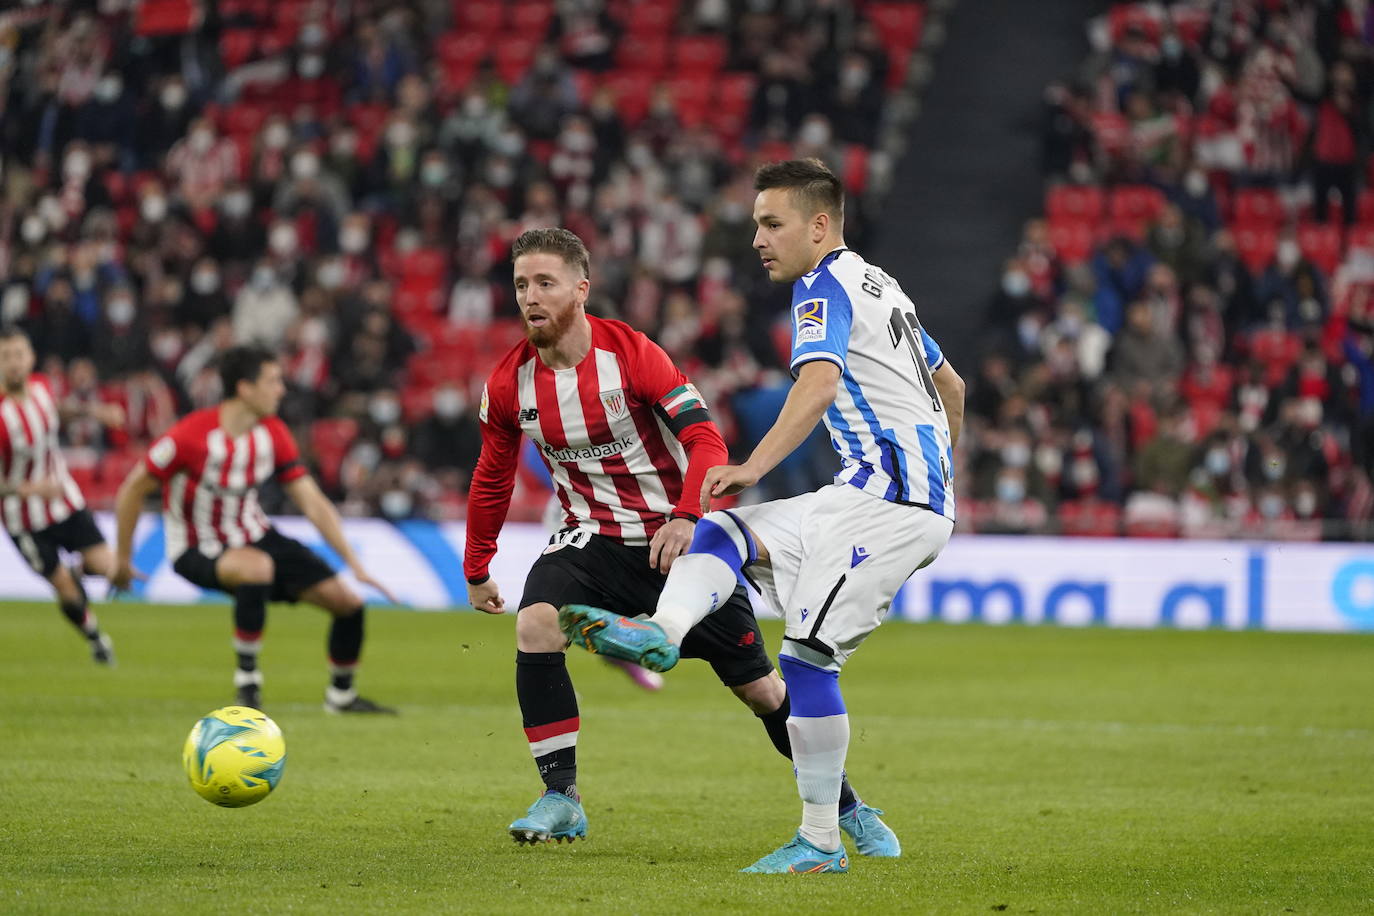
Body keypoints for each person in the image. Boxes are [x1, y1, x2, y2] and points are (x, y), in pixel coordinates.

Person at [561, 159, 966, 873]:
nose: (758, 239)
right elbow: (950, 384)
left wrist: (752, 467)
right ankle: (660, 634)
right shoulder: (882, 285)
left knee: (807, 661)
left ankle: (819, 843)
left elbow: (820, 381)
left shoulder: (822, 286)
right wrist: (941, 470)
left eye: (772, 224)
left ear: (818, 226)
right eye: (755, 224)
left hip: (889, 504)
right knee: (722, 531)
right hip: (872, 494)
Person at [465, 228, 896, 851]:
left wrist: (690, 516)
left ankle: (849, 807)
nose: (531, 297)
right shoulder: (510, 384)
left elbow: (705, 440)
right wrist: (477, 566)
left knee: (762, 689)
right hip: (591, 539)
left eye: (545, 284)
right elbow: (492, 475)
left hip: (680, 543)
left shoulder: (633, 355)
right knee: (535, 624)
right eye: (521, 285)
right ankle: (561, 796)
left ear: (581, 290)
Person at [110, 344, 398, 714]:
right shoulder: (190, 435)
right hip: (196, 547)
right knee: (256, 566)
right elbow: (132, 490)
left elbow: (312, 501)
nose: (281, 389)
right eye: (273, 381)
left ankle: (341, 697)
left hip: (254, 535)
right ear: (245, 388)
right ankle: (248, 684)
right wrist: (121, 557)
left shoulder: (273, 434)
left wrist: (353, 564)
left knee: (349, 605)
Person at [0, 326, 123, 664]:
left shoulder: (41, 387)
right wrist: (26, 489)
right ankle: (96, 637)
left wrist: (96, 412)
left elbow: (57, 408)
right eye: (5, 356)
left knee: (108, 567)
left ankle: (80, 573)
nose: (13, 363)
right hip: (23, 519)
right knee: (65, 590)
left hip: (64, 501)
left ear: (31, 358)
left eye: (18, 355)